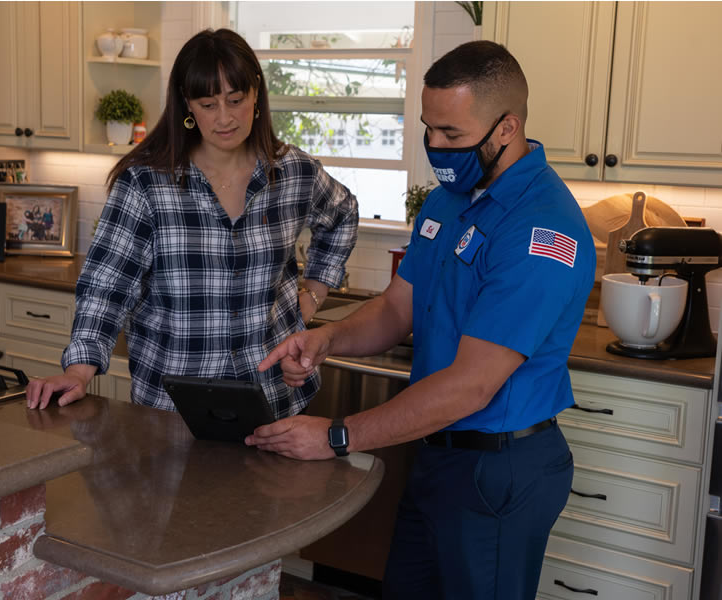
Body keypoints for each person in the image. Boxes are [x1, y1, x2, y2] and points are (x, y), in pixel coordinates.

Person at [247, 40, 595, 599]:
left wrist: (336, 437)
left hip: (498, 470)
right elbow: (396, 307)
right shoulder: (447, 201)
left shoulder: (541, 229)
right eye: (428, 129)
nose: (436, 147)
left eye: (451, 134)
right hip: (436, 456)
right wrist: (327, 338)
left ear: (506, 128)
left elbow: (471, 386)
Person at [25, 29, 358, 419]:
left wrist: (312, 296)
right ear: (187, 103)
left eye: (235, 100)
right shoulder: (146, 183)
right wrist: (78, 371)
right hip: (173, 413)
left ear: (256, 93)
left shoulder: (294, 173)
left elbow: (343, 213)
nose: (224, 118)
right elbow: (106, 287)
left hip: (276, 403)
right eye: (208, 104)